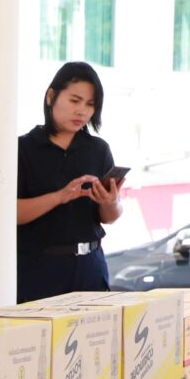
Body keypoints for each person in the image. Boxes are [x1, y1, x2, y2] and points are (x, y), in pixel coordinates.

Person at [15, 61, 123, 301]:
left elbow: (110, 217)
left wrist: (110, 202)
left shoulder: (98, 149)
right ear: (50, 96)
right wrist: (60, 197)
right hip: (38, 269)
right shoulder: (23, 149)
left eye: (90, 104)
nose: (82, 111)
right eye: (75, 101)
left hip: (90, 266)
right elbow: (11, 213)